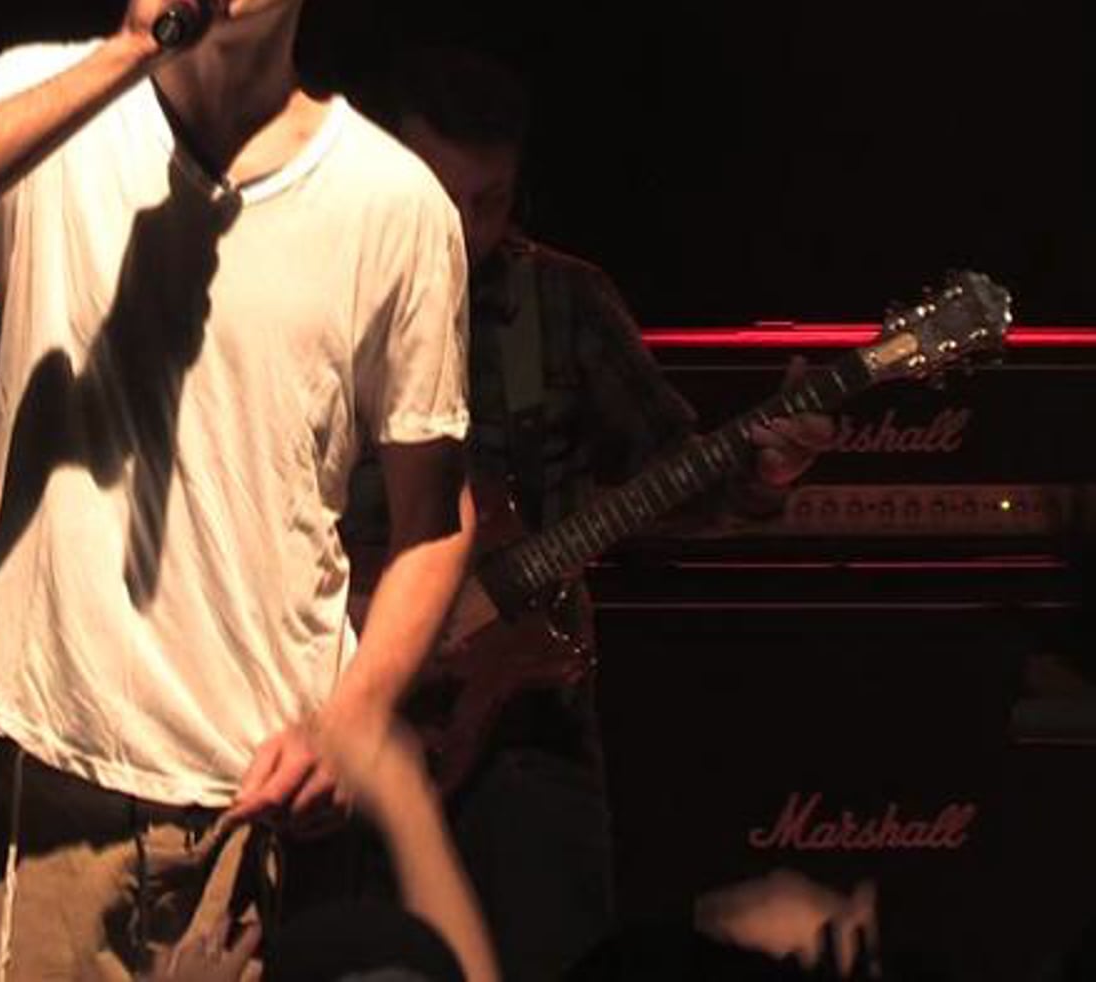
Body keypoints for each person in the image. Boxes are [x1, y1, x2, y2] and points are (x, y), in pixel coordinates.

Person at [0, 0, 476, 978]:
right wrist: (132, 52)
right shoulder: (49, 96)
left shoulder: (394, 203)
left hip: (263, 789)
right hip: (53, 773)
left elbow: (435, 522)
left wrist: (353, 718)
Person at [329, 47, 834, 980]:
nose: (467, 229)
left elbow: (674, 474)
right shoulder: (309, 298)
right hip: (333, 718)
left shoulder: (562, 300)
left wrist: (764, 474)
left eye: (490, 201)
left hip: (530, 728)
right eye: (441, 199)